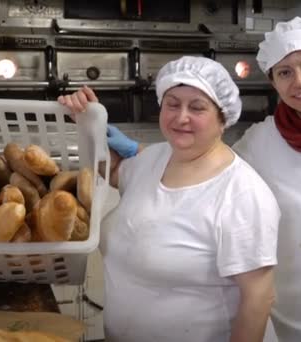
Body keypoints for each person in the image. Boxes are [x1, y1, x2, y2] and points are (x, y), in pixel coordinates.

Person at [93, 17, 301, 342]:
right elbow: (206, 164)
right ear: (274, 82)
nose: (299, 81)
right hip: (279, 317)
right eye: (284, 72)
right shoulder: (263, 138)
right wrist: (140, 153)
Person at [58, 56, 281, 342]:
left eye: (197, 107)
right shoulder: (154, 157)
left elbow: (258, 299)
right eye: (173, 104)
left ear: (222, 118)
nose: (181, 117)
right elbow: (114, 172)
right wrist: (91, 121)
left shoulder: (241, 194)